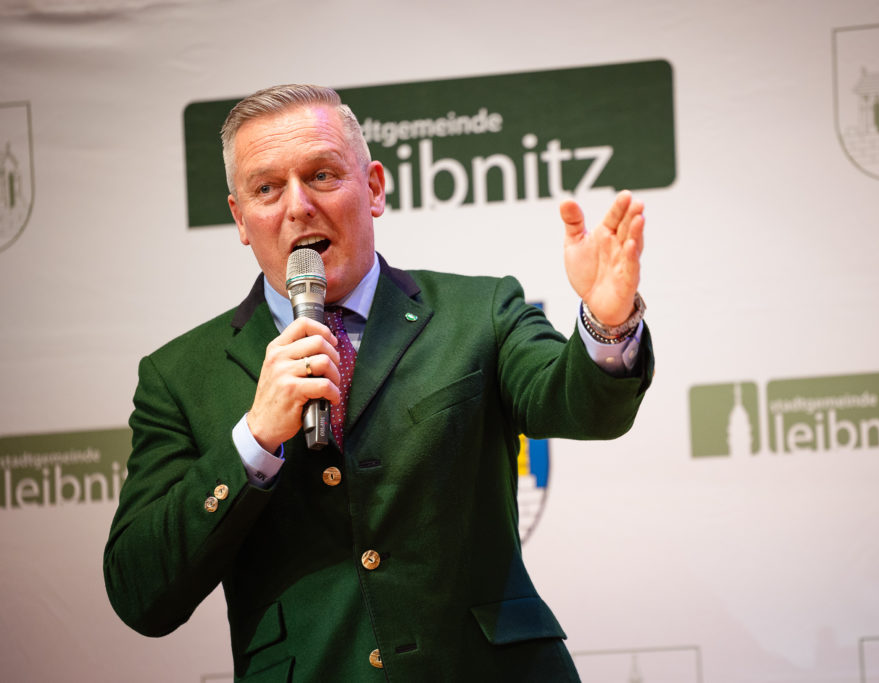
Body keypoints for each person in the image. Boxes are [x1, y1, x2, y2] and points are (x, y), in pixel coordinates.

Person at [103, 84, 653, 682]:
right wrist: (254, 440)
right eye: (266, 189)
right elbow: (141, 593)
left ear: (373, 188)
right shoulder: (179, 377)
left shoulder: (480, 311)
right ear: (239, 217)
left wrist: (607, 322)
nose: (297, 206)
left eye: (322, 176)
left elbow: (580, 406)